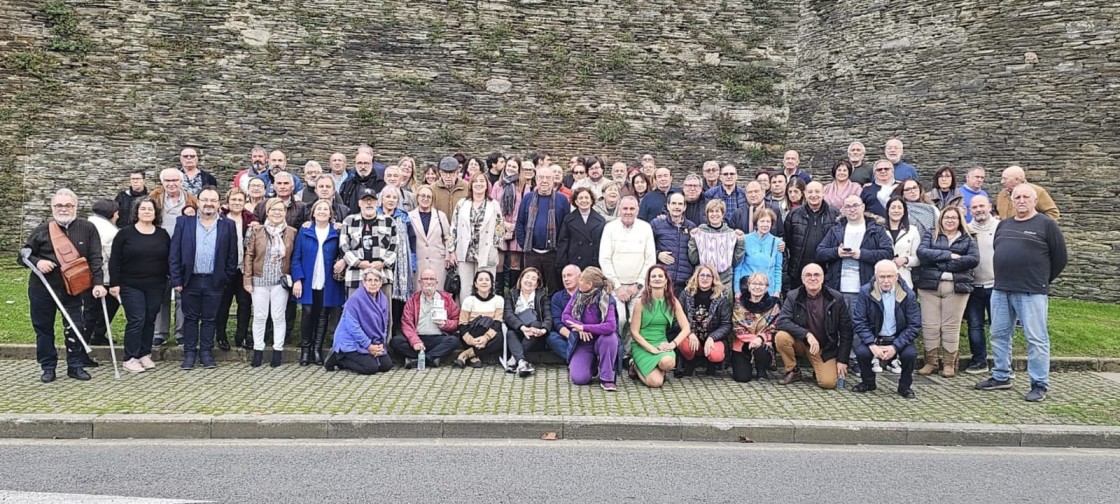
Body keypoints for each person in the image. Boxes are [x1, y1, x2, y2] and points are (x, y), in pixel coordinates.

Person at [976, 184, 1067, 402]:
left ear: (1035, 200)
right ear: (1012, 200)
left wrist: (1042, 281)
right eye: (1017, 197)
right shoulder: (1004, 225)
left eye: (1026, 197)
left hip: (1031, 291)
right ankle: (1001, 376)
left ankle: (1039, 383)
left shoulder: (1046, 225)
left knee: (1036, 339)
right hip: (1001, 289)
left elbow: (1060, 258)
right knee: (998, 334)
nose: (1022, 200)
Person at [22, 189, 106, 382]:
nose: (63, 209)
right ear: (52, 207)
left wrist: (98, 284)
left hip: (73, 288)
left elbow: (95, 258)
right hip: (43, 289)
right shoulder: (42, 230)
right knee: (43, 328)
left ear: (75, 206)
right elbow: (23, 255)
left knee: (75, 326)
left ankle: (75, 366)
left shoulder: (88, 228)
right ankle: (48, 367)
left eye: (68, 205)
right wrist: (37, 263)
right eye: (59, 205)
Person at [169, 186, 238, 370]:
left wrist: (225, 278)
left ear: (218, 204)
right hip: (189, 279)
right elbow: (174, 253)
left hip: (214, 280)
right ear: (198, 202)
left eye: (213, 200)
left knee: (210, 319)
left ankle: (206, 353)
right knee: (190, 318)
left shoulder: (228, 225)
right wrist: (176, 280)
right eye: (205, 200)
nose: (209, 203)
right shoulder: (184, 222)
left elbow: (233, 256)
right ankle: (189, 354)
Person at [915, 205, 979, 378]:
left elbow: (973, 259)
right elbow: (922, 253)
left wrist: (939, 263)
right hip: (930, 286)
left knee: (951, 325)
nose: (950, 221)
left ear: (959, 220)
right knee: (930, 325)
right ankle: (931, 362)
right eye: (946, 217)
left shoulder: (968, 238)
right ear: (941, 219)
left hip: (956, 287)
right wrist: (949, 256)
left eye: (954, 218)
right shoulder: (931, 233)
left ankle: (949, 364)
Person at [109, 197, 170, 374]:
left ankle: (144, 353)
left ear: (155, 213)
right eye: (143, 209)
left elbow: (168, 259)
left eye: (150, 209)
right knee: (137, 319)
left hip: (156, 284)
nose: (146, 212)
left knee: (150, 318)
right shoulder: (125, 234)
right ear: (136, 212)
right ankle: (130, 357)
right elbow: (114, 260)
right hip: (130, 285)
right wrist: (114, 283)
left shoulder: (162, 234)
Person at [850, 260, 921, 398]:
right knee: (862, 352)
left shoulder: (908, 294)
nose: (886, 281)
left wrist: (895, 347)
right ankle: (868, 382)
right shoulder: (866, 292)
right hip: (875, 337)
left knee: (909, 355)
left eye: (890, 276)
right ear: (876, 277)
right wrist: (871, 344)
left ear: (897, 276)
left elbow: (914, 325)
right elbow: (859, 321)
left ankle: (904, 386)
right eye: (882, 277)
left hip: (898, 338)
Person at [774, 264, 852, 389]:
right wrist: (807, 334)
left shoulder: (836, 298)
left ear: (822, 278)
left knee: (828, 383)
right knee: (781, 337)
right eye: (808, 275)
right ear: (802, 279)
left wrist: (843, 360)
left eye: (817, 275)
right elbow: (782, 321)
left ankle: (818, 369)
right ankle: (792, 370)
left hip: (823, 348)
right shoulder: (793, 296)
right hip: (800, 342)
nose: (812, 278)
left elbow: (846, 332)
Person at [599, 196, 656, 358]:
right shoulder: (610, 228)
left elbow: (650, 260)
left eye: (632, 209)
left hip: (637, 287)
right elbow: (604, 259)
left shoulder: (645, 228)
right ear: (619, 209)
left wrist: (637, 285)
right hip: (614, 286)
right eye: (625, 209)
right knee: (620, 319)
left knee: (636, 321)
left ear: (637, 210)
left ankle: (628, 354)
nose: (628, 212)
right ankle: (615, 352)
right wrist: (617, 286)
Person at [291, 199, 346, 366]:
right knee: (307, 313)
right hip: (308, 279)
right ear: (313, 213)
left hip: (328, 280)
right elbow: (296, 257)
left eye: (325, 209)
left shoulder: (337, 232)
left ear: (331, 214)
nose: (322, 212)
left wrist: (342, 261)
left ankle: (317, 350)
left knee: (323, 315)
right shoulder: (305, 230)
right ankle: (305, 351)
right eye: (319, 209)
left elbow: (344, 251)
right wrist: (297, 280)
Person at [243, 198, 297, 368]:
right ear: (267, 212)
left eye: (280, 210)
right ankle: (258, 351)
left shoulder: (292, 232)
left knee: (278, 316)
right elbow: (249, 255)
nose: (277, 213)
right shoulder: (257, 231)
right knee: (259, 316)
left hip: (280, 281)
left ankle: (277, 351)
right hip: (259, 280)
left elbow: (295, 257)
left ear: (285, 212)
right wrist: (247, 279)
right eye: (273, 209)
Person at [150, 167, 198, 347]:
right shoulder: (154, 199)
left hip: (183, 253)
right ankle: (160, 333)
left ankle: (181, 333)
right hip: (159, 253)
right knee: (161, 293)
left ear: (181, 181)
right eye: (167, 181)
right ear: (162, 183)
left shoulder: (191, 200)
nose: (171, 184)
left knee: (182, 293)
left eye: (175, 181)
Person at [817, 195, 894, 306]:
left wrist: (862, 254)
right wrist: (836, 252)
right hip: (837, 289)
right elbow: (819, 253)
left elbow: (888, 253)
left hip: (867, 288)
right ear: (843, 209)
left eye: (855, 206)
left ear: (863, 207)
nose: (852, 209)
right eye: (848, 206)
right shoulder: (835, 230)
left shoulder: (877, 229)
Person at [628, 265, 691, 388]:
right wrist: (651, 349)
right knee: (655, 383)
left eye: (660, 276)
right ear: (649, 282)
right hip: (643, 345)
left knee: (667, 363)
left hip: (661, 343)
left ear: (666, 280)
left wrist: (672, 344)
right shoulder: (640, 303)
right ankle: (635, 366)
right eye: (654, 276)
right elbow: (634, 332)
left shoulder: (673, 301)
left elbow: (686, 328)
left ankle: (658, 367)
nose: (657, 278)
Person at [322, 269, 394, 375]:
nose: (373, 283)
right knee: (371, 368)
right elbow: (353, 328)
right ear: (364, 283)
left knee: (386, 365)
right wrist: (369, 346)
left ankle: (366, 354)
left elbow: (384, 324)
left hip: (372, 341)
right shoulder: (355, 299)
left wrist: (379, 345)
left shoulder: (383, 299)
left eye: (376, 280)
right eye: (369, 280)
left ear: (380, 283)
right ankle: (338, 358)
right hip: (351, 341)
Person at [562, 266, 620, 390]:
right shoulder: (578, 294)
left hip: (602, 340)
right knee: (579, 379)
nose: (579, 281)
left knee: (610, 338)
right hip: (584, 342)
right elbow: (565, 316)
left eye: (581, 279)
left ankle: (607, 378)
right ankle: (592, 364)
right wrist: (579, 328)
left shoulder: (607, 299)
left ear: (589, 284)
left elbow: (610, 326)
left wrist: (585, 328)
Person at [516, 164, 571, 292]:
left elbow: (565, 226)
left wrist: (560, 248)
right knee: (531, 286)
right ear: (536, 179)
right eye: (541, 178)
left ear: (553, 180)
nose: (544, 181)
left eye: (548, 178)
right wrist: (524, 244)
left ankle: (551, 311)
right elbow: (520, 223)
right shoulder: (528, 198)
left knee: (553, 287)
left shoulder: (562, 200)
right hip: (531, 252)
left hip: (553, 253)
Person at [394, 268, 462, 368]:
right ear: (420, 282)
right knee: (396, 341)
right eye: (425, 279)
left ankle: (417, 360)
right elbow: (406, 323)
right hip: (418, 337)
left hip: (438, 338)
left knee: (453, 341)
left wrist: (446, 324)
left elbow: (457, 321)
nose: (429, 282)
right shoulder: (413, 299)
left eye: (432, 279)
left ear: (437, 282)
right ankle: (432, 358)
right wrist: (415, 341)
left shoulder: (447, 298)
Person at [449, 174, 502, 301]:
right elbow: (453, 227)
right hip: (465, 252)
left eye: (482, 181)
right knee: (465, 289)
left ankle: (484, 317)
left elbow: (499, 228)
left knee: (485, 286)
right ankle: (465, 318)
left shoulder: (493, 205)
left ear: (486, 185)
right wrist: (451, 250)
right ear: (471, 185)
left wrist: (495, 247)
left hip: (486, 251)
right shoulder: (462, 204)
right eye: (475, 181)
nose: (479, 184)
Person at [454, 271, 519, 372]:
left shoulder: (499, 300)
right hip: (471, 335)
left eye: (487, 280)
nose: (484, 282)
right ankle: (473, 353)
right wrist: (470, 340)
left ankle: (467, 354)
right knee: (482, 323)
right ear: (475, 284)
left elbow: (497, 323)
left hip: (489, 337)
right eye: (480, 280)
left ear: (491, 283)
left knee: (501, 336)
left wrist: (485, 338)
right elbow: (462, 324)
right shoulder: (469, 300)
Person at [217, 188, 257, 350]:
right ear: (228, 201)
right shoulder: (220, 218)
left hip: (243, 269)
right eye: (234, 200)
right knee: (223, 304)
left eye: (240, 200)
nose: (237, 203)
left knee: (244, 303)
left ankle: (241, 336)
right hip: (225, 269)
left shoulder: (250, 219)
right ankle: (220, 336)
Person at [339, 188, 397, 296]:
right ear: (359, 203)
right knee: (355, 312)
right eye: (365, 200)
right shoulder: (349, 221)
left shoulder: (389, 221)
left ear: (377, 202)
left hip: (382, 276)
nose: (369, 203)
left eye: (372, 200)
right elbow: (343, 247)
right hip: (356, 277)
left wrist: (382, 263)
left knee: (383, 311)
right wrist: (359, 263)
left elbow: (394, 247)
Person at [963, 195, 998, 374]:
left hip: (996, 285)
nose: (978, 210)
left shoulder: (1000, 227)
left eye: (981, 206)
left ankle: (1002, 363)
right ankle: (979, 361)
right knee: (975, 324)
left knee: (998, 326)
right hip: (974, 286)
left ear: (989, 206)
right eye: (974, 207)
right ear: (970, 211)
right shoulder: (967, 230)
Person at [783, 181, 839, 293]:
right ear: (805, 194)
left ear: (823, 193)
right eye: (810, 192)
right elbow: (788, 240)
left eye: (817, 191)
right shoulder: (794, 214)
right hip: (799, 268)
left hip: (826, 268)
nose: (814, 195)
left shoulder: (835, 214)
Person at [676, 265, 731, 377]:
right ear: (696, 277)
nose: (705, 278)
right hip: (691, 337)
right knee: (685, 346)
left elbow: (726, 324)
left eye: (708, 276)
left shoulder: (721, 297)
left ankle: (711, 363)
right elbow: (676, 319)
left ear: (713, 279)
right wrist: (689, 333)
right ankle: (690, 362)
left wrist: (712, 337)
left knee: (716, 355)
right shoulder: (686, 294)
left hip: (712, 338)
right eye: (702, 275)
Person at [491, 156, 532, 295]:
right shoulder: (498, 185)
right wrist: (503, 223)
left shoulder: (525, 185)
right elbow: (493, 206)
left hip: (517, 226)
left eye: (514, 166)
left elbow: (525, 207)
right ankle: (499, 295)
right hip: (500, 226)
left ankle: (513, 295)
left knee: (515, 263)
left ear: (519, 169)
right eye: (509, 165)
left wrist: (514, 224)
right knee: (499, 263)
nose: (511, 168)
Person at [378, 186, 416, 334]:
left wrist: (412, 264)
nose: (391, 200)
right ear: (381, 199)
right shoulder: (374, 215)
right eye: (388, 197)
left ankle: (395, 334)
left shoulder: (404, 217)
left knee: (397, 301)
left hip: (400, 266)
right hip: (380, 264)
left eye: (394, 198)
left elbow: (412, 240)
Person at [731, 273, 781, 383]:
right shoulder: (739, 303)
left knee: (762, 349)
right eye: (754, 283)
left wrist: (761, 338)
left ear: (766, 287)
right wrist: (753, 339)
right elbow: (737, 326)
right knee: (742, 378)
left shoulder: (774, 305)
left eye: (761, 284)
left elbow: (775, 327)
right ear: (748, 286)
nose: (757, 287)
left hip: (763, 344)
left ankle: (761, 370)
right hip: (742, 344)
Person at [82, 199, 119, 346]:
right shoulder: (110, 232)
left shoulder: (86, 225)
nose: (118, 217)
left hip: (86, 274)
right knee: (96, 310)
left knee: (91, 309)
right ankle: (89, 339)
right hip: (103, 277)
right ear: (111, 214)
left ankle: (96, 334)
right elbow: (114, 256)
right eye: (116, 213)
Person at [689, 199, 744, 294]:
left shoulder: (730, 233)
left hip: (725, 280)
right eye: (711, 211)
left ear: (723, 214)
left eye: (717, 211)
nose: (714, 214)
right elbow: (694, 259)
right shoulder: (700, 232)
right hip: (704, 281)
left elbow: (735, 261)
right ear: (707, 214)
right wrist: (693, 239)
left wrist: (740, 242)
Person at [502, 268, 551, 376]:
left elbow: (548, 316)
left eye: (533, 279)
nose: (529, 281)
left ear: (537, 283)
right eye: (527, 277)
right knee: (510, 333)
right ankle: (521, 362)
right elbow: (508, 314)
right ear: (521, 279)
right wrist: (522, 327)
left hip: (535, 336)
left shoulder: (542, 296)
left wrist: (543, 330)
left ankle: (514, 359)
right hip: (518, 332)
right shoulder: (512, 293)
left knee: (536, 324)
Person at [409, 185, 453, 292]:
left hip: (438, 260)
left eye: (429, 197)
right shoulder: (409, 216)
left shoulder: (440, 216)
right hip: (419, 262)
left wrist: (448, 255)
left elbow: (448, 237)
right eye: (422, 196)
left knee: (438, 292)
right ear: (417, 197)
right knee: (419, 292)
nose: (425, 199)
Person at [655, 193, 699, 294]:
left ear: (684, 207)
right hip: (663, 281)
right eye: (674, 203)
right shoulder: (657, 224)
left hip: (684, 284)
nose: (677, 207)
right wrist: (658, 254)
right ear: (668, 206)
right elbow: (647, 248)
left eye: (680, 204)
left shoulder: (692, 227)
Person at [735, 207, 783, 297]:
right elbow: (738, 266)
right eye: (762, 221)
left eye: (768, 221)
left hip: (768, 291)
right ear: (756, 223)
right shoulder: (745, 239)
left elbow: (778, 269)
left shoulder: (777, 242)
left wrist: (777, 290)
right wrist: (737, 290)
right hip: (747, 290)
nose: (765, 224)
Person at [556, 187, 605, 270]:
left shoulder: (600, 220)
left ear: (591, 200)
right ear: (576, 201)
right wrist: (562, 264)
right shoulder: (568, 220)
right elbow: (563, 243)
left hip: (593, 265)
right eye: (580, 198)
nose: (584, 200)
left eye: (586, 198)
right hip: (574, 263)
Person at [995, 165, 1060, 221]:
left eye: (1005, 179)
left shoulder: (1037, 192)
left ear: (1017, 180)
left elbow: (1053, 213)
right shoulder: (1002, 194)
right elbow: (997, 212)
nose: (1002, 182)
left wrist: (1033, 225)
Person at [548, 264, 582, 361]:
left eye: (569, 275)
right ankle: (576, 359)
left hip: (584, 332)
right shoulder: (557, 297)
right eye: (564, 276)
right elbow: (557, 321)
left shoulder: (587, 294)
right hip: (566, 335)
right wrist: (571, 337)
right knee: (551, 337)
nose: (566, 279)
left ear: (579, 277)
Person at [885, 196, 920, 289]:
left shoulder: (912, 230)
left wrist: (905, 260)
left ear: (904, 211)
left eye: (900, 207)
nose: (896, 211)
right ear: (887, 210)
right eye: (893, 207)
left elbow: (917, 258)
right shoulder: (879, 230)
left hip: (904, 279)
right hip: (883, 279)